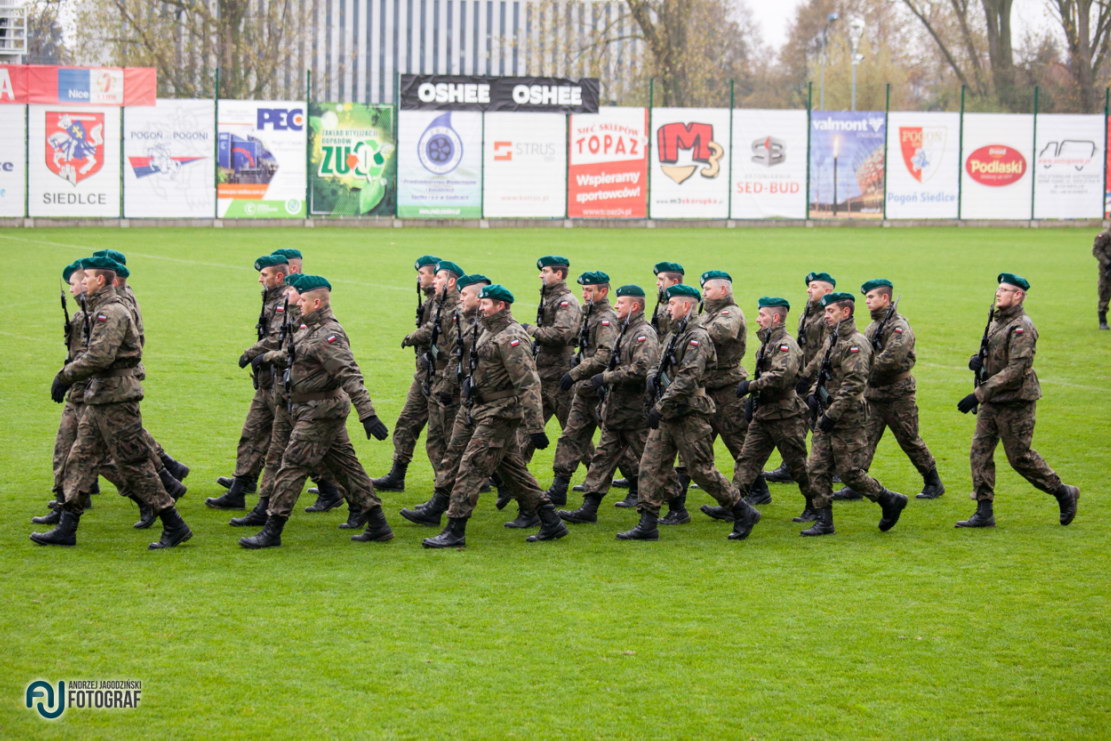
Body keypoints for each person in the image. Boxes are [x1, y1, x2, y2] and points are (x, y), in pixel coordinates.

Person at [34, 255, 193, 549]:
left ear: (101, 280)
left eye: (88, 277)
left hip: (117, 398)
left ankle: (173, 522)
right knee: (80, 459)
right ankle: (67, 527)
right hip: (101, 396)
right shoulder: (99, 309)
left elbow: (100, 356)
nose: (83, 281)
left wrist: (65, 376)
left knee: (133, 464)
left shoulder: (112, 312)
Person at [238, 275, 394, 548]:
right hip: (299, 407)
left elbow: (349, 374)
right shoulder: (306, 327)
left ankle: (272, 529)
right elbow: (293, 354)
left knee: (293, 465)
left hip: (319, 411)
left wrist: (367, 414)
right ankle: (378, 523)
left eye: (302, 300)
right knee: (347, 468)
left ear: (317, 302)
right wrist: (266, 357)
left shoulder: (328, 335)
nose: (297, 304)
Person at [422, 284, 568, 548]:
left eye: (486, 304)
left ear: (501, 306)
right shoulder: (486, 329)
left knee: (471, 467)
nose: (481, 307)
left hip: (499, 413)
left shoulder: (512, 337)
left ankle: (455, 529)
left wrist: (535, 427)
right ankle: (551, 521)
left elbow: (528, 383)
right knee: (512, 471)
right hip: (477, 409)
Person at [617, 284, 760, 542]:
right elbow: (658, 363)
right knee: (650, 466)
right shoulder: (675, 333)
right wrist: (651, 380)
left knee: (700, 469)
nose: (668, 309)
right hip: (668, 412)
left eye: (672, 304)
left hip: (688, 413)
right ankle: (647, 522)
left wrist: (660, 406)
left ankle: (741, 510)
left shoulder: (697, 337)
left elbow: (688, 378)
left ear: (685, 306)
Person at [955, 273, 1080, 528]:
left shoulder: (1022, 327)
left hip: (1015, 401)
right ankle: (984, 510)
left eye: (1004, 290)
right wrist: (975, 361)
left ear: (1018, 295)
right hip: (992, 401)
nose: (998, 293)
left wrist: (978, 394)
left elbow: (1015, 370)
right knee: (979, 452)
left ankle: (1062, 491)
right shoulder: (997, 321)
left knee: (1019, 457)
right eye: (998, 289)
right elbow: (990, 353)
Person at [798, 292, 908, 537]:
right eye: (825, 312)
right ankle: (824, 521)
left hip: (848, 417)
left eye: (831, 311)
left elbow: (854, 384)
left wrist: (832, 414)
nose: (826, 316)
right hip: (827, 413)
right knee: (816, 467)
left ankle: (888, 499)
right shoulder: (833, 338)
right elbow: (821, 369)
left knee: (849, 472)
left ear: (845, 312)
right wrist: (809, 390)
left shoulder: (855, 343)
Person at [834, 279, 944, 501]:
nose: (867, 301)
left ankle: (933, 481)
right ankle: (857, 484)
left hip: (897, 394)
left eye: (871, 297)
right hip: (874, 393)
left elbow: (891, 358)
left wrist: (861, 369)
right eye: (866, 297)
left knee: (908, 438)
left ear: (885, 298)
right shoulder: (873, 326)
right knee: (865, 439)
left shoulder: (898, 327)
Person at [708, 297, 813, 525]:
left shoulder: (786, 345)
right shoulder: (768, 342)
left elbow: (782, 376)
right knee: (747, 460)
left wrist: (751, 386)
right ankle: (733, 506)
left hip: (785, 414)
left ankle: (817, 506)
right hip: (764, 413)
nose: (757, 319)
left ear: (775, 318)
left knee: (797, 464)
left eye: (762, 315)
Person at [559, 285, 658, 523]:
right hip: (615, 409)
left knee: (652, 461)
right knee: (602, 459)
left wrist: (605, 378)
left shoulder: (643, 333)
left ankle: (675, 504)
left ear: (635, 306)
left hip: (634, 412)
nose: (616, 306)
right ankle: (589, 508)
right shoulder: (625, 330)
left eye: (621, 302)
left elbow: (642, 369)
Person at [399, 273, 491, 527]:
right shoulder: (458, 315)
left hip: (484, 401)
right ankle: (440, 502)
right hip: (455, 388)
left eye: (465, 295)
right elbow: (456, 355)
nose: (461, 299)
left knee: (464, 451)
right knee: (446, 445)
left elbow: (523, 381)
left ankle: (539, 508)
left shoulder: (492, 329)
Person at [208, 254, 290, 510]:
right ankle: (239, 489)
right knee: (252, 434)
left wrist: (250, 353)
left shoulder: (287, 301)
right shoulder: (271, 298)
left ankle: (344, 494)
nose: (259, 279)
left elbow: (277, 338)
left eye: (264, 275)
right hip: (267, 381)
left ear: (279, 276)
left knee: (301, 444)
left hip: (281, 383)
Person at [544, 270, 618, 507]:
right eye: (584, 290)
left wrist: (574, 373)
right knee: (570, 437)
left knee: (618, 442)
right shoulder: (589, 315)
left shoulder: (605, 319)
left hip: (599, 391)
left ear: (603, 291)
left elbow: (604, 355)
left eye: (590, 290)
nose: (585, 294)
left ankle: (641, 485)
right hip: (584, 391)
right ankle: (559, 487)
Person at [372, 255, 440, 492]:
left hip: (442, 377)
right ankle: (397, 475)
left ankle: (459, 483)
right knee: (407, 423)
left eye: (422, 274)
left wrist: (413, 337)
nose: (419, 278)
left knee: (445, 434)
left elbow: (434, 329)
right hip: (424, 374)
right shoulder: (431, 300)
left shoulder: (445, 302)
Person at [765, 271, 835, 484]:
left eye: (814, 286)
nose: (808, 290)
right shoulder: (808, 312)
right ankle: (790, 466)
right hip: (805, 376)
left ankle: (836, 466)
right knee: (799, 421)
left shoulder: (828, 316)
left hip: (819, 377)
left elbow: (826, 349)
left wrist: (807, 375)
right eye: (809, 286)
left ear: (828, 290)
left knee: (818, 422)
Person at [519, 256, 581, 463]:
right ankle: (512, 474)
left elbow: (562, 334)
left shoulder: (566, 302)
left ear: (559, 274)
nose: (541, 275)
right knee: (528, 428)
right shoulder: (550, 298)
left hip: (560, 378)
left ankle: (600, 473)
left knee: (574, 433)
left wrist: (531, 330)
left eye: (545, 271)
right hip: (543, 376)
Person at [1093, 229, 1111, 329]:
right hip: (1106, 270)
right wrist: (1107, 263)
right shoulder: (1104, 235)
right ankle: (1102, 321)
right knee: (1105, 293)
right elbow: (1096, 251)